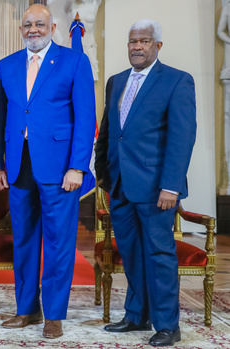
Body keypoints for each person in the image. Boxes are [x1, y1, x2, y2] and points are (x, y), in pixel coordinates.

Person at [0, 4, 95, 339]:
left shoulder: (74, 60)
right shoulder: (5, 66)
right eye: (27, 25)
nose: (33, 29)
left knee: (58, 243)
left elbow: (85, 118)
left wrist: (77, 166)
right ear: (21, 29)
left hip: (60, 168)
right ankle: (27, 310)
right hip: (19, 167)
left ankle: (54, 315)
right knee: (23, 241)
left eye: (39, 24)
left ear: (52, 27)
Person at [95, 19, 196, 347]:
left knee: (158, 254)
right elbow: (110, 132)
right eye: (132, 41)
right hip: (121, 187)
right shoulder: (117, 81)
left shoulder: (177, 81)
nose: (137, 47)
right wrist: (103, 175)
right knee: (132, 254)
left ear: (158, 46)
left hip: (156, 190)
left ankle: (168, 325)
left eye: (144, 41)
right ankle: (136, 315)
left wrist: (172, 186)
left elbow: (182, 138)